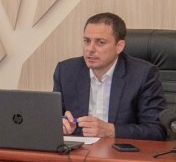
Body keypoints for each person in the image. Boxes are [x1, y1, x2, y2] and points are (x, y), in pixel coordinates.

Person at [53, 12, 166, 141]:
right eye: (87, 41)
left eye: (100, 42)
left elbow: (156, 130)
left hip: (118, 150)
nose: (90, 49)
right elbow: (52, 118)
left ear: (119, 46)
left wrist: (111, 131)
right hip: (79, 150)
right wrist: (61, 124)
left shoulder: (143, 74)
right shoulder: (66, 72)